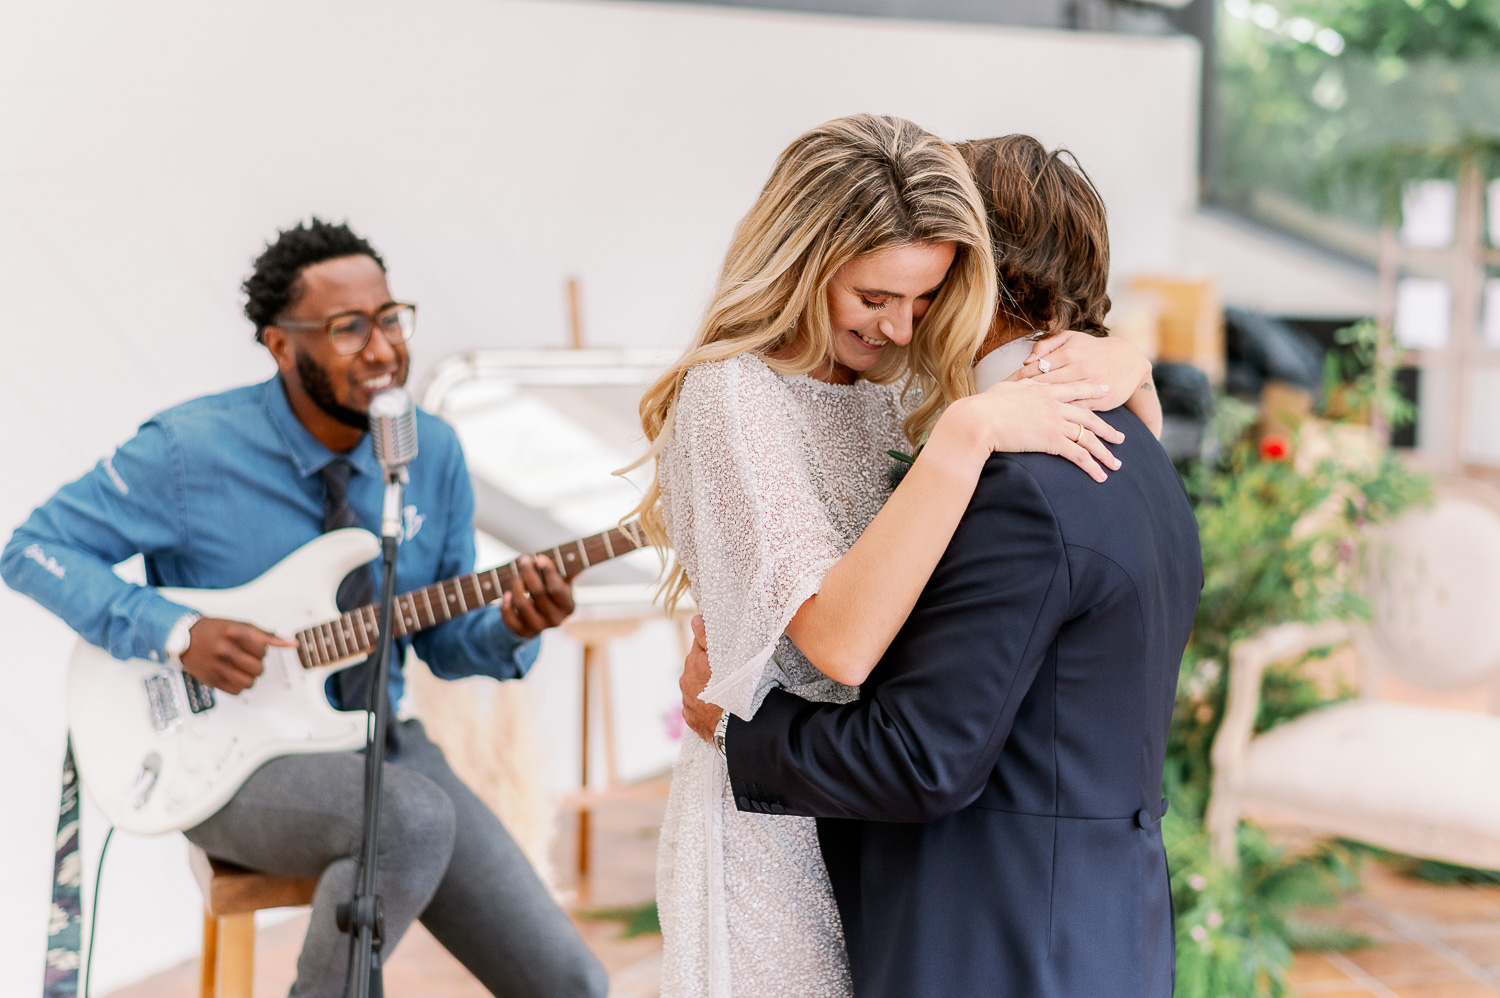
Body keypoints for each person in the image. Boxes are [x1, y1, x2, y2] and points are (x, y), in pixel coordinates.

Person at [1, 219, 608, 998]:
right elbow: (35, 549)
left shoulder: (433, 453)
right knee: (409, 822)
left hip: (384, 745)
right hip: (232, 764)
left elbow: (446, 642)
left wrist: (513, 627)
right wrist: (175, 632)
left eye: (391, 319)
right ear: (280, 345)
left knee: (574, 983)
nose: (383, 348)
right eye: (347, 329)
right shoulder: (188, 450)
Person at [634, 115, 1158, 997]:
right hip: (774, 828)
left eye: (925, 299)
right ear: (803, 262)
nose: (901, 327)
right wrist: (966, 432)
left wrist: (1133, 365)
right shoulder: (732, 394)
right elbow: (837, 643)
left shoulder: (890, 384)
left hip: (873, 823)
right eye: (874, 296)